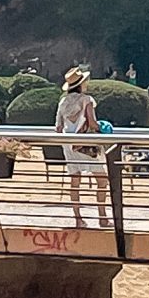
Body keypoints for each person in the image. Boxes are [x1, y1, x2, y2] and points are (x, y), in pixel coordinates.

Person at [57, 68, 108, 228]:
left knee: (75, 179)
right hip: (84, 142)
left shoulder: (63, 101)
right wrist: (103, 130)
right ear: (81, 84)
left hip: (68, 143)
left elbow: (58, 127)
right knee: (101, 179)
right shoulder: (87, 100)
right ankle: (102, 216)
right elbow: (92, 123)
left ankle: (78, 218)